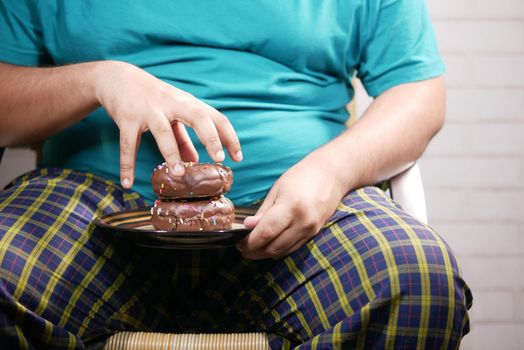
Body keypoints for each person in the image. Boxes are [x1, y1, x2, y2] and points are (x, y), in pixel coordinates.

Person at [0, 1, 472, 349]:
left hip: (298, 219)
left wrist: (332, 171)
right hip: (93, 215)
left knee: (414, 278)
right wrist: (97, 80)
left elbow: (417, 92)